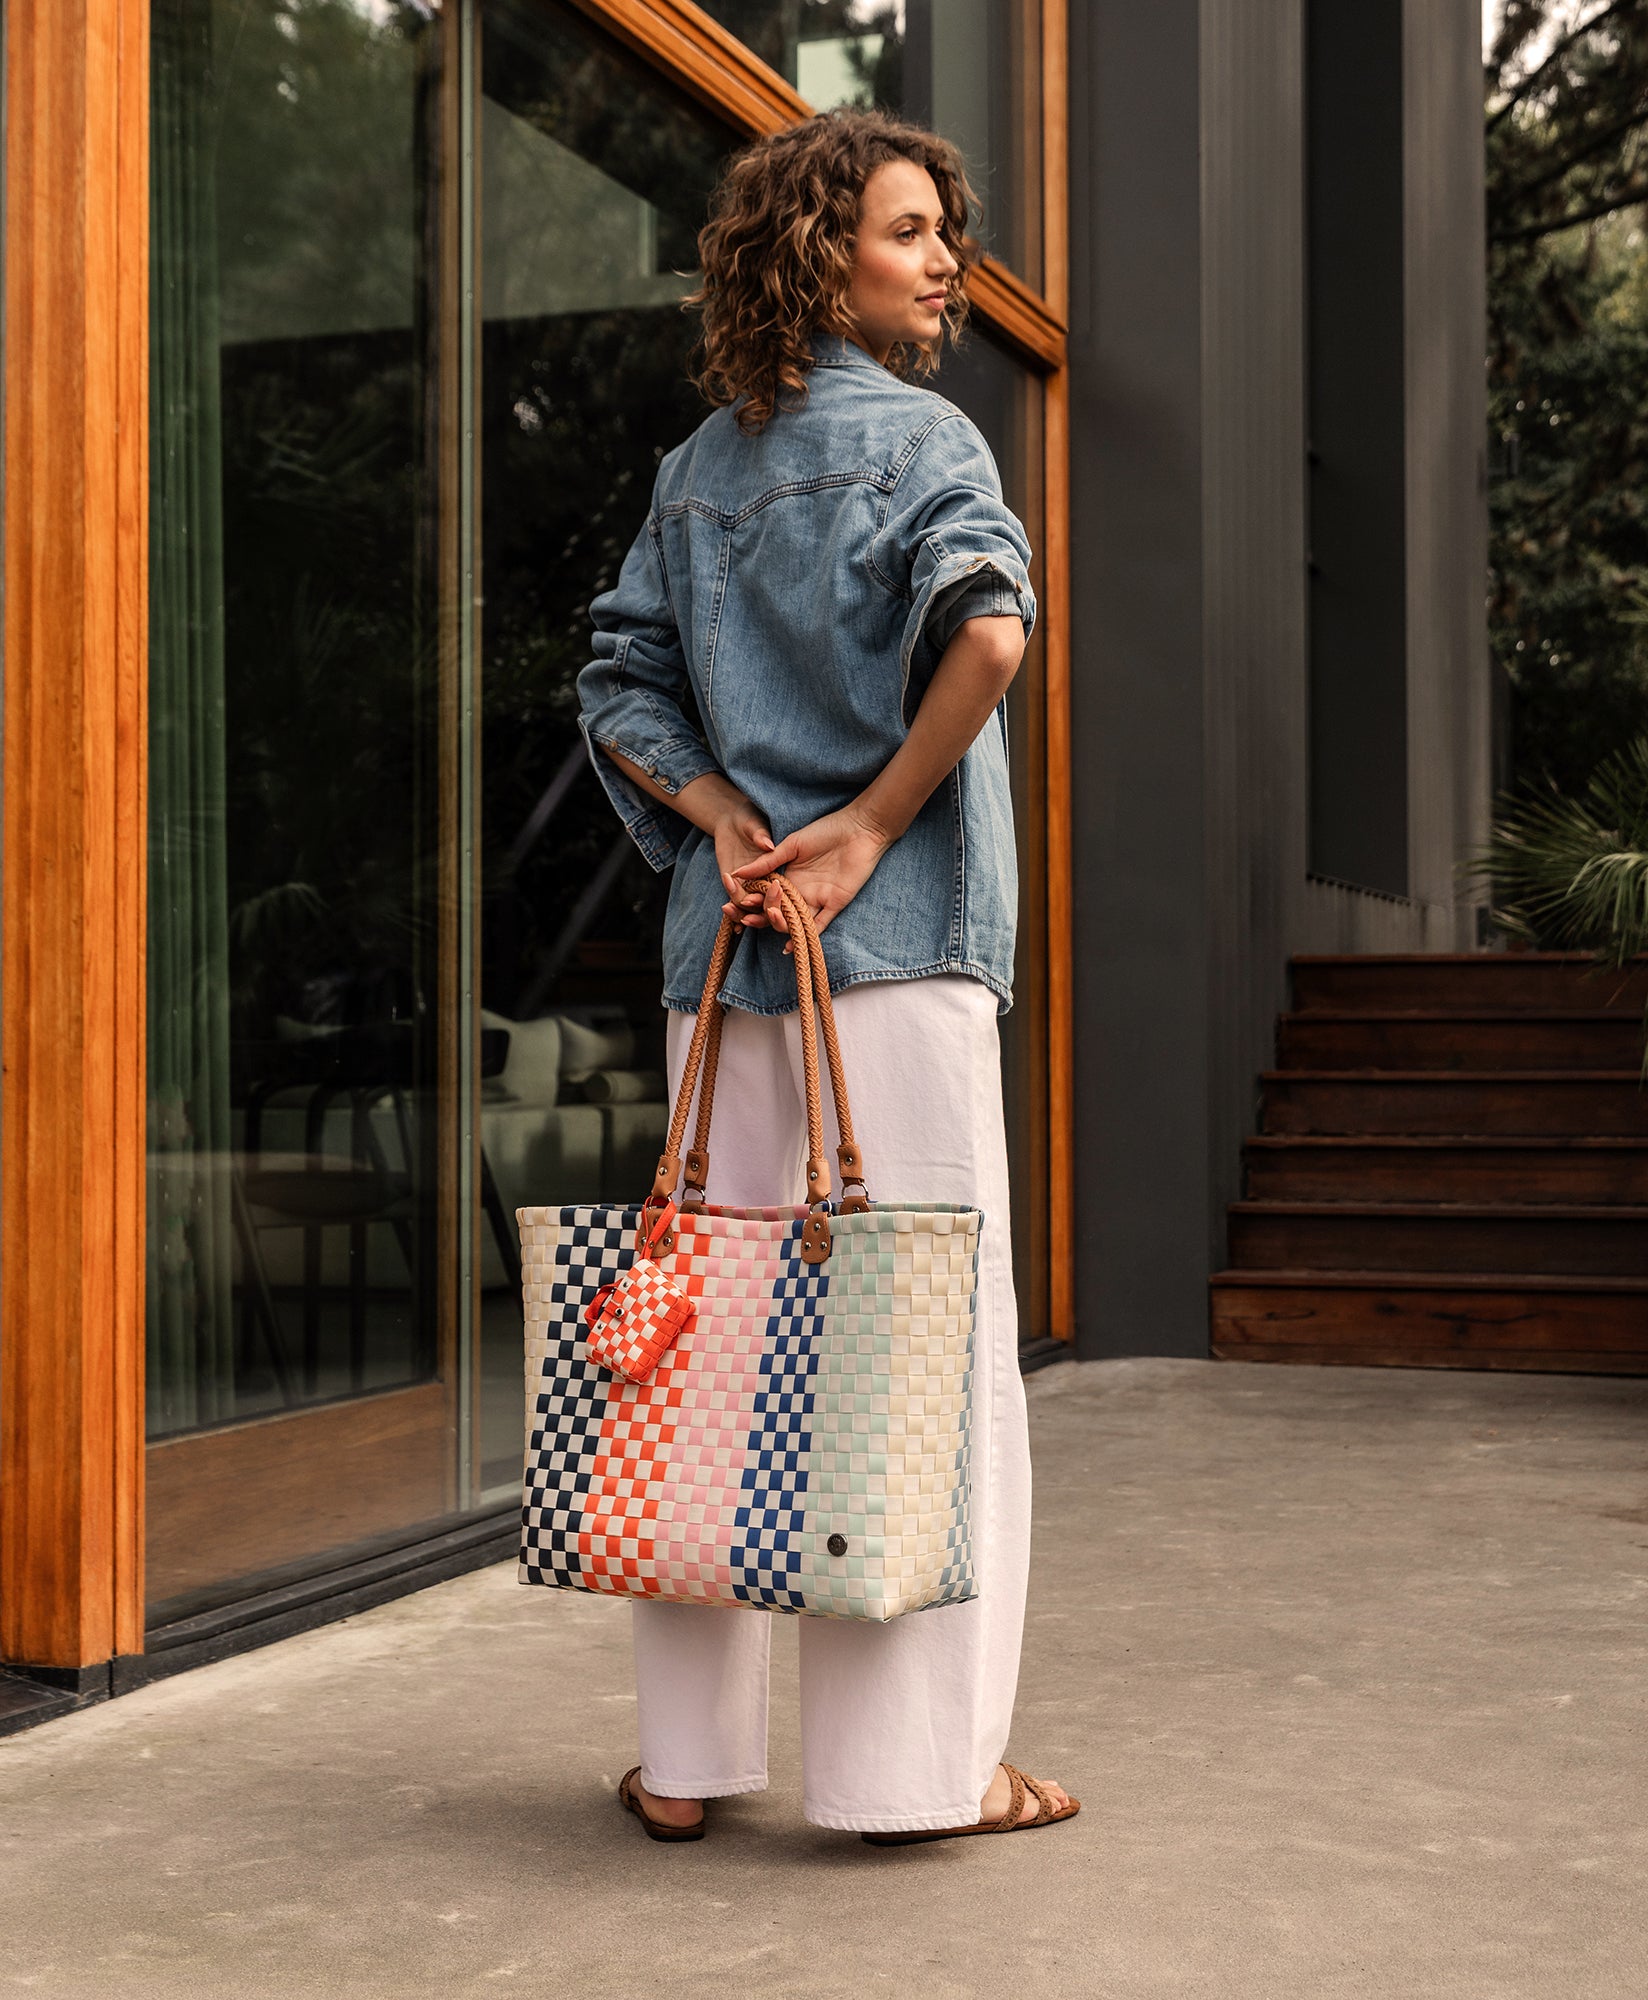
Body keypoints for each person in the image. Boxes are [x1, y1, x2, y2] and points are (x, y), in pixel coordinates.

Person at [575, 106, 1077, 1846]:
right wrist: (868, 824)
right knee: (915, 1350)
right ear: (818, 254)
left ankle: (684, 1765)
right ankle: (912, 1777)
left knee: (698, 1343)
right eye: (910, 231)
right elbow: (992, 628)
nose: (946, 263)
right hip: (899, 959)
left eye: (944, 232)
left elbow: (620, 687)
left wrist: (721, 813)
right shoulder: (927, 436)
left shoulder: (693, 473)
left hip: (723, 957)